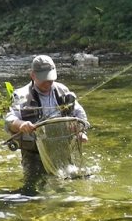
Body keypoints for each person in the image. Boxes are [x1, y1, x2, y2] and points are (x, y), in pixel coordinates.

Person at [5, 55, 88, 190]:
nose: (48, 82)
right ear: (33, 75)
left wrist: (80, 131)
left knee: (67, 188)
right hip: (33, 154)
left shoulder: (63, 90)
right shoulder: (20, 95)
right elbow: (9, 119)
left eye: (51, 78)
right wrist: (21, 124)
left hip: (61, 149)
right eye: (44, 79)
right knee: (32, 190)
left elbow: (79, 114)